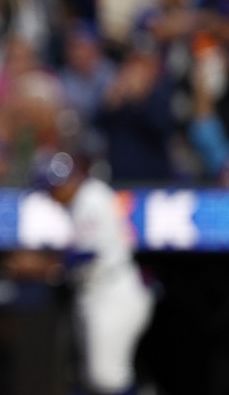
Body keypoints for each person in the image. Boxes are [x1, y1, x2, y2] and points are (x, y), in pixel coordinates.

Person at [29, 150, 154, 395]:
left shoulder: (92, 196)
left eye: (52, 189)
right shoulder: (80, 201)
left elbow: (87, 254)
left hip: (114, 292)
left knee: (107, 377)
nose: (52, 197)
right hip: (96, 292)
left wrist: (41, 265)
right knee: (91, 377)